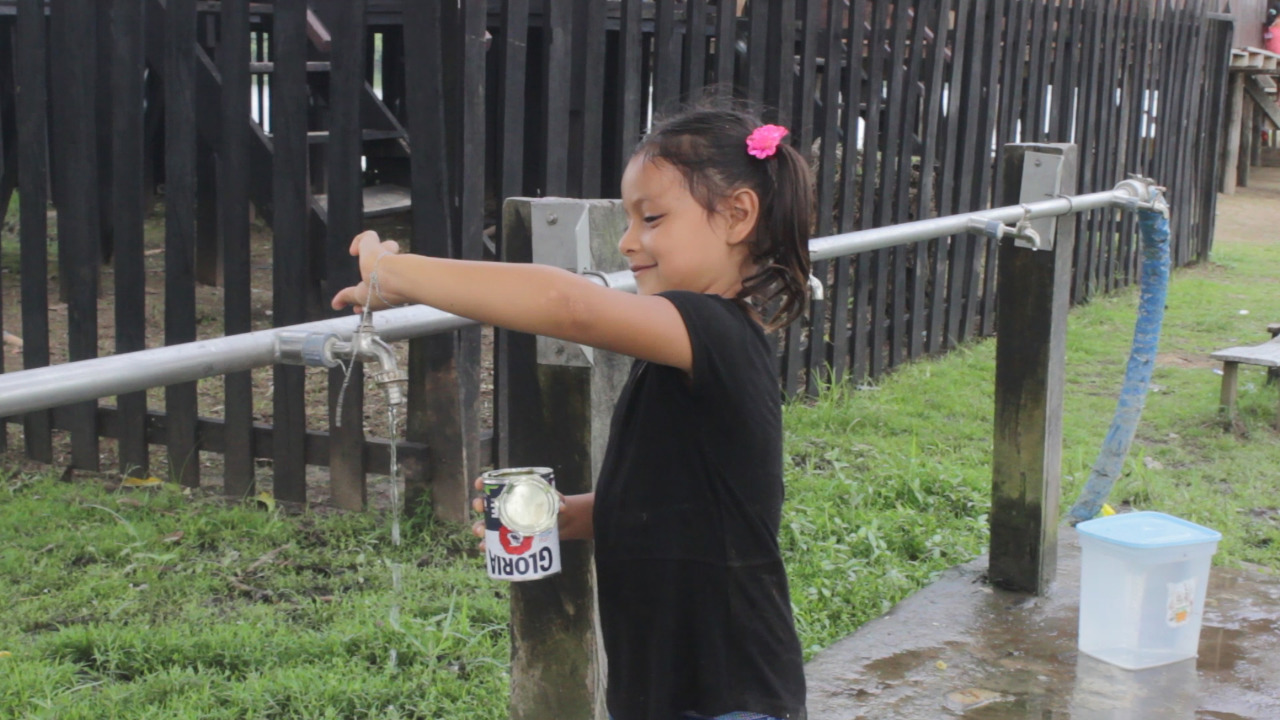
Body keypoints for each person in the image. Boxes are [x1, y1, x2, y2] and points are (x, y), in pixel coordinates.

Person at [332, 105, 812, 720]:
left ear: (738, 215)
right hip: (663, 689)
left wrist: (393, 273)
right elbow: (687, 505)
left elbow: (567, 304)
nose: (628, 239)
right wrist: (575, 516)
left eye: (653, 217)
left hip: (729, 692)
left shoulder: (715, 333)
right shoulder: (682, 351)